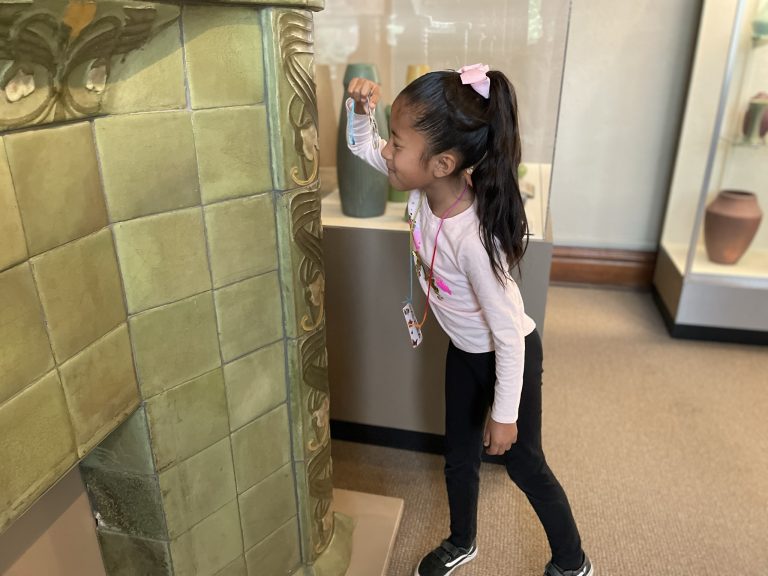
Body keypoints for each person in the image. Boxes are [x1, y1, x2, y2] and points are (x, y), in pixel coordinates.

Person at [344, 64, 593, 576]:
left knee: (524, 463)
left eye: (397, 143)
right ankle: (462, 540)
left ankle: (573, 562)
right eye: (392, 140)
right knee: (458, 456)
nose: (387, 152)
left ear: (442, 163)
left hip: (507, 356)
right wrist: (361, 111)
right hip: (465, 351)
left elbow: (509, 335)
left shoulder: (474, 239)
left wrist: (504, 414)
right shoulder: (424, 188)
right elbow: (362, 147)